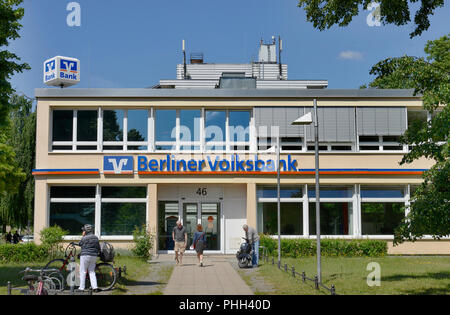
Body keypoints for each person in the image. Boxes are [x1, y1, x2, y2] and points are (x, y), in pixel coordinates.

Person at [77, 224, 101, 292]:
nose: (83, 231)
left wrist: (83, 236)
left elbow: (80, 244)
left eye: (83, 230)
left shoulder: (85, 238)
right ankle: (95, 287)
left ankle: (81, 288)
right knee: (92, 271)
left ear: (86, 231)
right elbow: (98, 247)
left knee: (83, 271)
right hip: (94, 256)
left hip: (85, 256)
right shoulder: (96, 238)